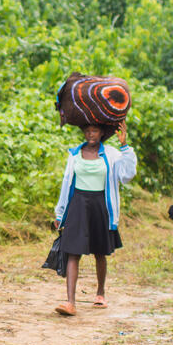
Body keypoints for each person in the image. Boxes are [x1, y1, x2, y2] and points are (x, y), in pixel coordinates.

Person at [53, 122, 137, 315]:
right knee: (73, 252)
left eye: (95, 131)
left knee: (100, 251)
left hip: (101, 205)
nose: (91, 134)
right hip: (78, 205)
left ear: (102, 134)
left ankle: (100, 293)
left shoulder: (111, 154)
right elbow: (66, 183)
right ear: (84, 132)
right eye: (88, 130)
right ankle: (70, 302)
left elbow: (127, 176)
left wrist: (125, 147)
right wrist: (60, 212)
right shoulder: (74, 154)